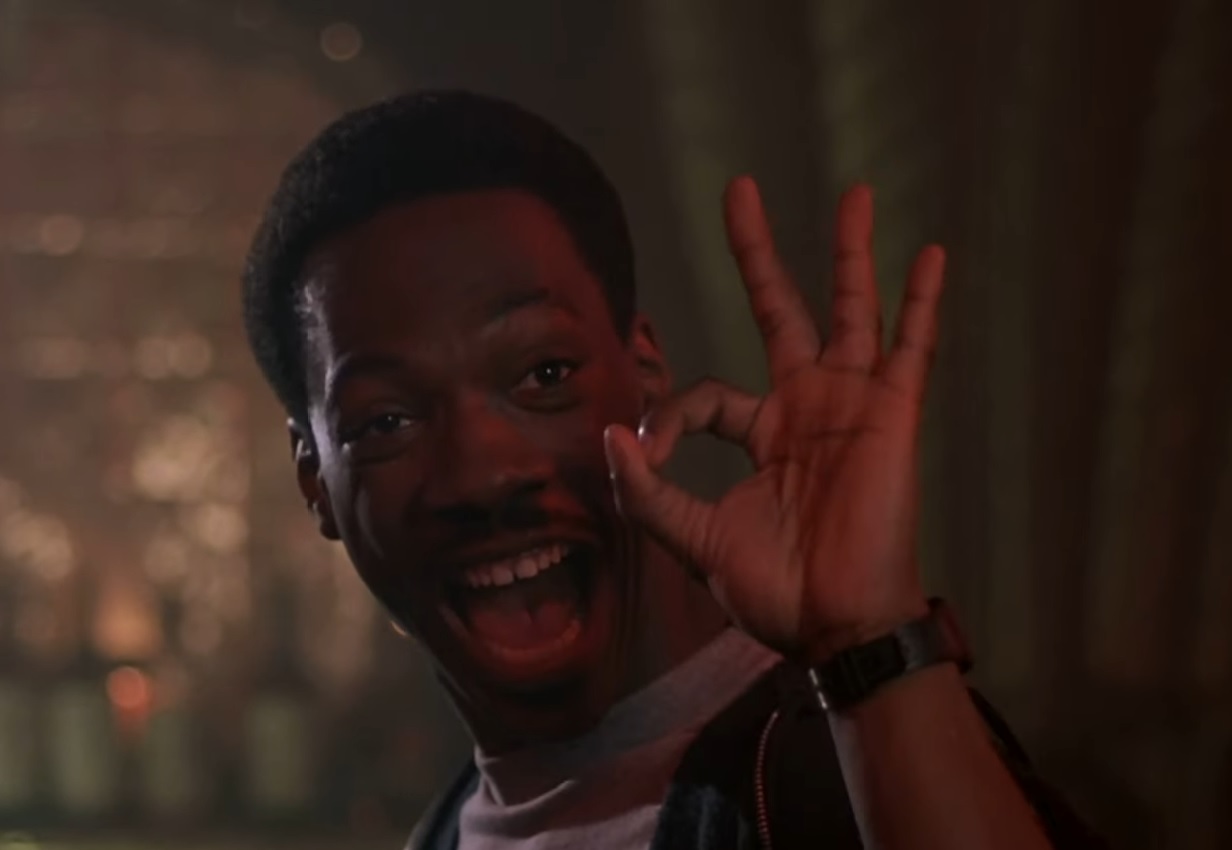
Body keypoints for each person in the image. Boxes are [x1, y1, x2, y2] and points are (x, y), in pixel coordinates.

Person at [241, 90, 1104, 849]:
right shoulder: (443, 829)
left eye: (544, 373)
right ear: (315, 479)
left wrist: (871, 646)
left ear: (645, 370)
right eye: (386, 421)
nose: (483, 474)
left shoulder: (852, 759)